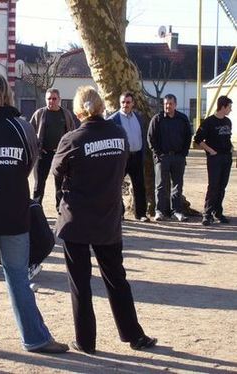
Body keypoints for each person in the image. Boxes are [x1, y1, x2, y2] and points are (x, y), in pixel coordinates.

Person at [0, 73, 69, 356]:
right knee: (17, 276)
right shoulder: (22, 126)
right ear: (8, 94)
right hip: (12, 210)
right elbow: (30, 162)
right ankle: (34, 338)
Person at [51, 86, 157, 355]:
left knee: (80, 282)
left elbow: (56, 171)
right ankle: (134, 334)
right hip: (108, 216)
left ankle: (86, 341)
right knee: (116, 277)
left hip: (77, 217)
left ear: (77, 111)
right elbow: (122, 169)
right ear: (101, 107)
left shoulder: (72, 139)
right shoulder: (119, 134)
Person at [30, 88, 77, 211]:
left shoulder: (66, 114)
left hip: (60, 155)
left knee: (60, 183)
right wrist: (36, 147)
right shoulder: (39, 113)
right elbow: (30, 131)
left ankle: (60, 208)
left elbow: (72, 132)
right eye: (49, 99)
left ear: (59, 99)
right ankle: (36, 209)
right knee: (39, 184)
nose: (51, 101)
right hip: (43, 153)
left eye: (54, 98)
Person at [147, 94, 192, 222]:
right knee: (160, 186)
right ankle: (159, 211)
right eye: (166, 103)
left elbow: (188, 136)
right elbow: (151, 138)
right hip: (163, 158)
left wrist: (183, 154)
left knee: (177, 186)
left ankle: (176, 211)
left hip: (178, 157)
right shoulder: (157, 119)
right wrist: (158, 155)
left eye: (170, 103)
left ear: (175, 104)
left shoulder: (182, 119)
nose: (168, 106)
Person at [108, 92, 150, 222]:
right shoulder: (113, 120)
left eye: (128, 102)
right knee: (116, 185)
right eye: (123, 102)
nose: (125, 104)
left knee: (139, 185)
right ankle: (119, 213)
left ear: (133, 103)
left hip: (137, 156)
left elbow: (142, 136)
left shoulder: (138, 117)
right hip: (121, 157)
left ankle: (141, 214)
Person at [194, 95, 233, 226]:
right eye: (229, 107)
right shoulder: (209, 122)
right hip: (214, 158)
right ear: (223, 107)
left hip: (226, 158)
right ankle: (207, 213)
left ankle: (218, 212)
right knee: (213, 186)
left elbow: (227, 138)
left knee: (222, 186)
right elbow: (198, 139)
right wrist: (211, 151)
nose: (230, 110)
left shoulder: (228, 122)